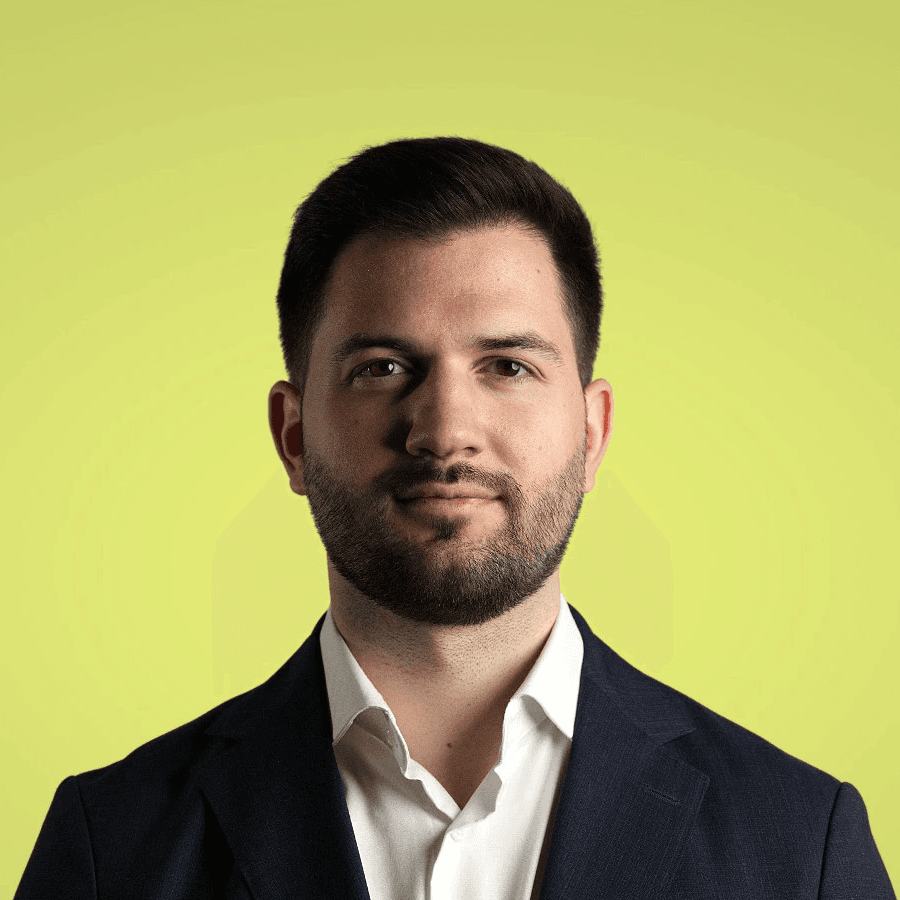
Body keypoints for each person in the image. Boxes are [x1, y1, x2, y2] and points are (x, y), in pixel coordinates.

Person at [16, 136, 894, 900]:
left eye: (507, 366)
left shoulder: (800, 844)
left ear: (591, 433)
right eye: (384, 367)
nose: (443, 430)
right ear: (293, 434)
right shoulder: (110, 846)